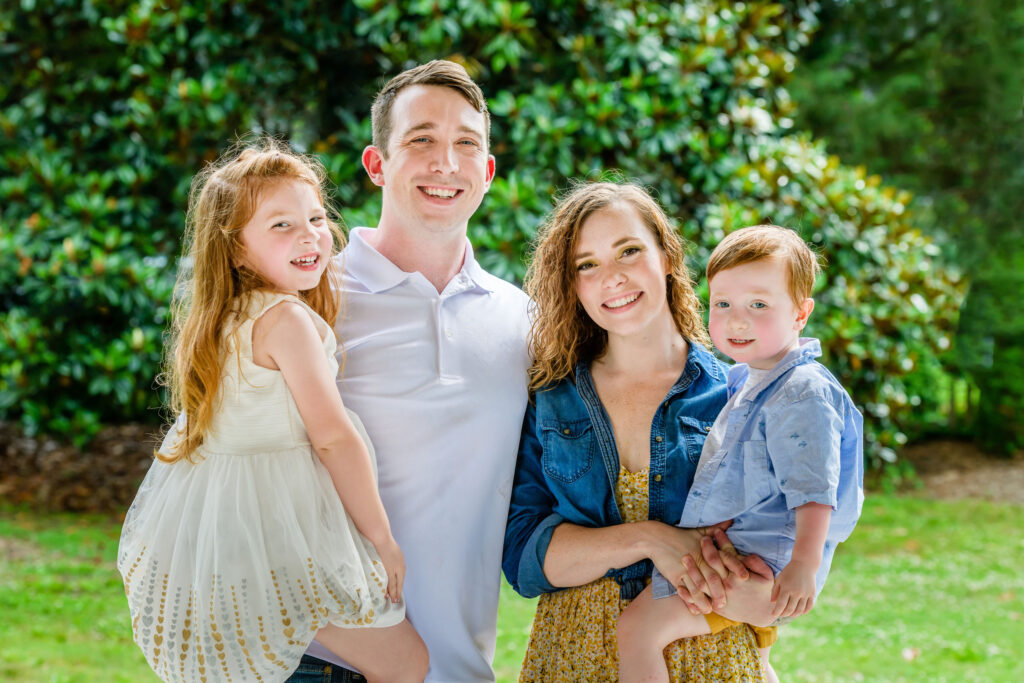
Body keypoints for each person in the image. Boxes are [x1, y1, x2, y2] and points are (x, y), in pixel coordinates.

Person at [117, 138, 429, 683]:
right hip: (283, 519)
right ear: (236, 249)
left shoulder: (224, 317)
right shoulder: (286, 320)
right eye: (280, 225)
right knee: (408, 664)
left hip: (227, 520)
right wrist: (382, 539)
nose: (309, 235)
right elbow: (332, 438)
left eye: (314, 218)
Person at [291, 61, 531, 682]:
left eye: (465, 144)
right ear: (376, 164)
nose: (444, 162)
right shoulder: (310, 302)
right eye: (420, 139)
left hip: (458, 667)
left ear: (487, 171)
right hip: (319, 660)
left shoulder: (525, 320)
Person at [503, 181, 780, 682]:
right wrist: (651, 540)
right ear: (572, 285)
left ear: (667, 256)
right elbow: (524, 557)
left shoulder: (737, 396)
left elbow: (780, 560)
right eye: (587, 264)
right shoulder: (551, 396)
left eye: (628, 251)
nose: (611, 278)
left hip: (713, 663)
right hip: (572, 661)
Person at [616, 224, 865, 683]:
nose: (737, 320)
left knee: (635, 631)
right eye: (723, 304)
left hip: (761, 563)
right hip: (745, 552)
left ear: (800, 314)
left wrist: (802, 568)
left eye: (759, 305)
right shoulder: (745, 381)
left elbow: (813, 488)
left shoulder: (800, 391)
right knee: (757, 661)